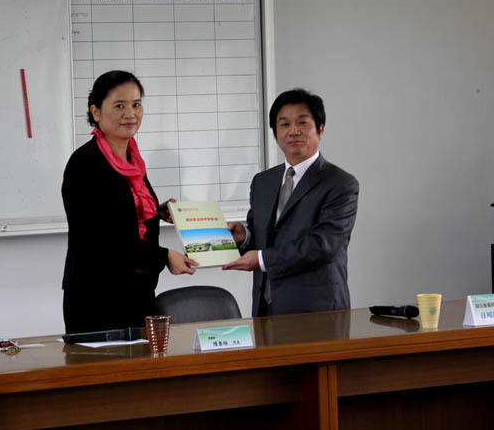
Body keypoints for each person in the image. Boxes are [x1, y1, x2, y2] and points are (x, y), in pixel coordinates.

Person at [61, 70, 198, 333]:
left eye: (136, 104)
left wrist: (157, 211)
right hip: (97, 299)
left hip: (137, 293)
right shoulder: (86, 163)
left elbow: (122, 212)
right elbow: (101, 238)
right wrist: (164, 256)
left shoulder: (132, 160)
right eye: (119, 106)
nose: (130, 114)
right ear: (96, 112)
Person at [224, 89, 359, 317]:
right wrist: (244, 236)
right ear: (276, 134)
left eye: (302, 122)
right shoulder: (262, 181)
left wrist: (262, 259)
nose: (293, 131)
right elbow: (264, 237)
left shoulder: (341, 183)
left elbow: (323, 245)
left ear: (320, 130)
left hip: (317, 310)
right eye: (284, 124)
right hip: (266, 308)